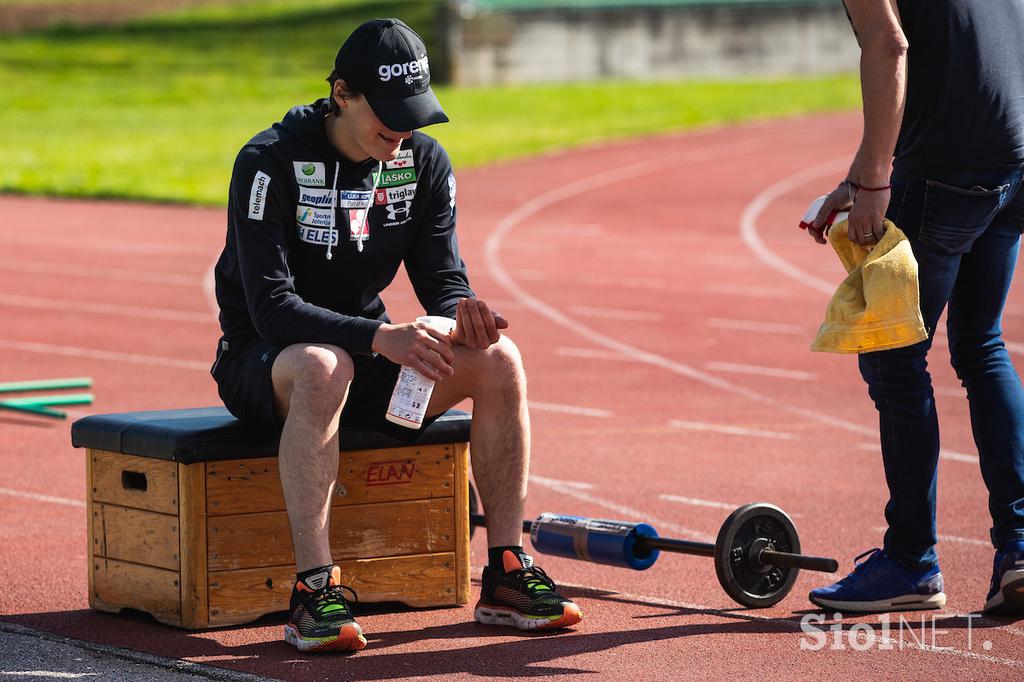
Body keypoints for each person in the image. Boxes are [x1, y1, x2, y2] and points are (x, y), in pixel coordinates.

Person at [210, 18, 582, 652]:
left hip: (366, 353)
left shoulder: (423, 162)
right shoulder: (268, 162)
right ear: (342, 94)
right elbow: (271, 309)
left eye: (415, 111)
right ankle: (313, 590)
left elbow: (441, 279)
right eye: (389, 111)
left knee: (500, 361)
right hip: (266, 360)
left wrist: (463, 313)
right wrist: (380, 336)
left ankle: (506, 570)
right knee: (326, 366)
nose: (404, 128)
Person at [805, 0, 1024, 614]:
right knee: (981, 343)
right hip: (1013, 159)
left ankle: (910, 560)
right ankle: (1021, 547)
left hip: (949, 169)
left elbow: (889, 45)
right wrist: (859, 176)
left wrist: (876, 182)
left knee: (893, 359)